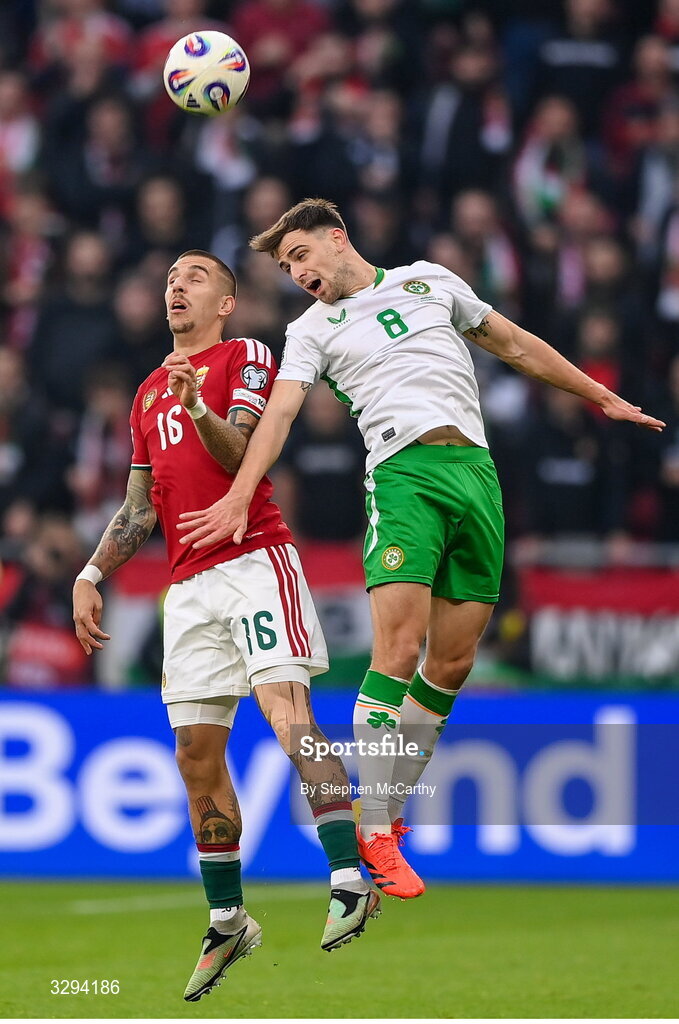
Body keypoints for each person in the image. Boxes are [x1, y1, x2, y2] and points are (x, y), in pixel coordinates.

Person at [175, 200, 666, 900]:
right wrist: (238, 493)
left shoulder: (429, 280)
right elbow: (280, 414)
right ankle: (374, 824)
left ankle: (385, 814)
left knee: (453, 661)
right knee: (397, 653)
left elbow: (515, 343)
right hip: (402, 478)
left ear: (336, 238)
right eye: (286, 269)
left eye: (301, 257)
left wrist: (601, 397)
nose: (297, 274)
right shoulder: (311, 328)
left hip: (475, 474)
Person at [72, 249, 380, 1002]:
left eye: (195, 277)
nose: (177, 285)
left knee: (285, 713)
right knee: (194, 756)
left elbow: (245, 453)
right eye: (171, 278)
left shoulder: (245, 354)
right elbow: (141, 510)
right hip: (188, 588)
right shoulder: (148, 393)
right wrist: (90, 573)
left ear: (224, 303)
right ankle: (228, 918)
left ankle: (347, 873)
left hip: (254, 561)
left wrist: (200, 406)